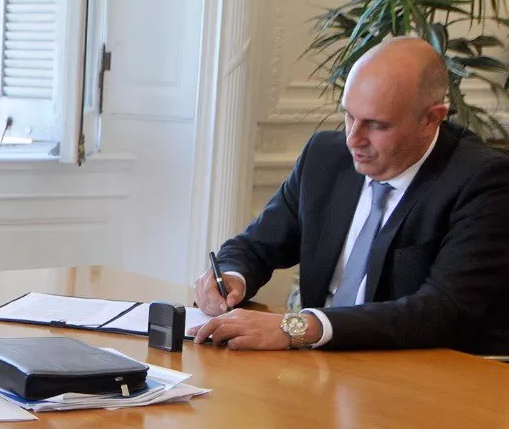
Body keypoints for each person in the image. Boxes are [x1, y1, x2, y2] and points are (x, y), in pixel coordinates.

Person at [193, 37, 509, 353]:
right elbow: (257, 245)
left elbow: (443, 310)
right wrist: (231, 278)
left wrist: (300, 327)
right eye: (349, 116)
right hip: (322, 367)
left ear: (431, 119)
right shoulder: (324, 157)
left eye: (375, 125)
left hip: (425, 375)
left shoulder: (483, 181)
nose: (353, 139)